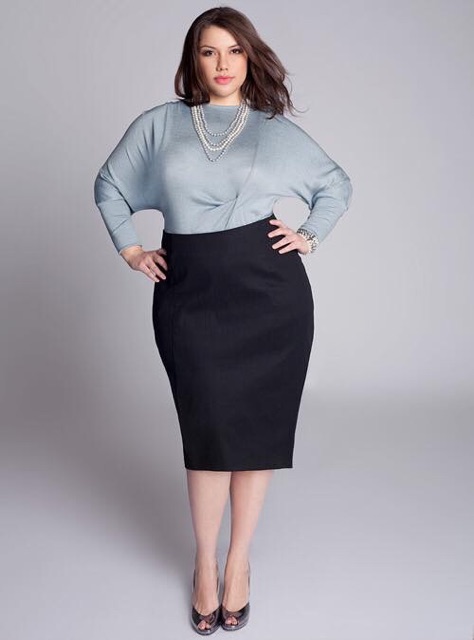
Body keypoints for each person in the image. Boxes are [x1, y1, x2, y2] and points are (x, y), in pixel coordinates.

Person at [93, 6, 353, 634]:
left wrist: (310, 235)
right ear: (193, 59)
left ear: (249, 57)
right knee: (207, 435)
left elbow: (335, 185)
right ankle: (204, 563)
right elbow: (109, 185)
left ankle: (238, 563)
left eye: (235, 51)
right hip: (190, 296)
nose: (223, 64)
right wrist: (132, 249)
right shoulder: (159, 125)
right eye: (209, 51)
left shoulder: (272, 129)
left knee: (256, 434)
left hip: (269, 298)